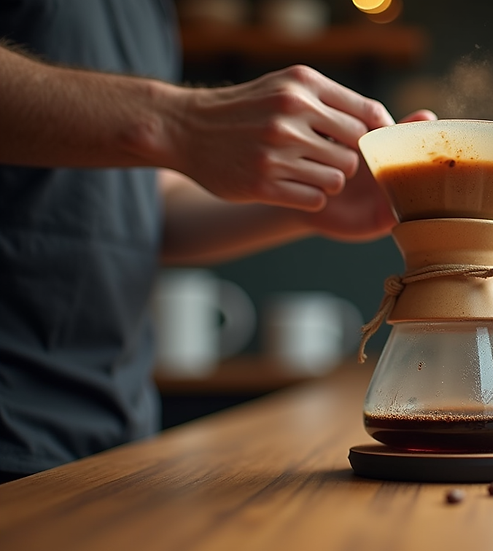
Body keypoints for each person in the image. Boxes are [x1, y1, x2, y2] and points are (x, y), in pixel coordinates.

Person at [0, 0, 435, 483]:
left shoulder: (151, 12)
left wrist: (311, 200)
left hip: (114, 436)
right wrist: (176, 121)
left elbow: (138, 208)